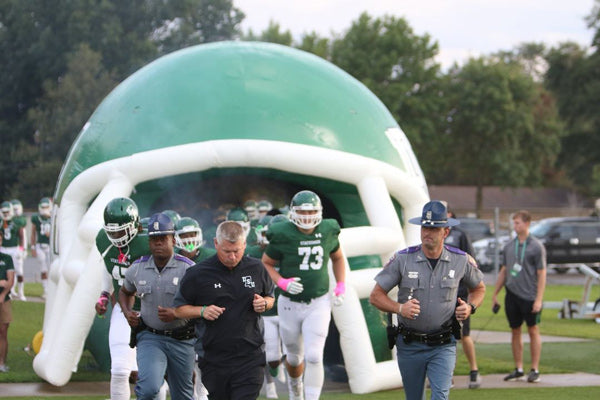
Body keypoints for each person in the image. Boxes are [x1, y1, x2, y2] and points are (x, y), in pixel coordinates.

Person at [369, 200, 485, 400]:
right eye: (424, 227)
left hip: (443, 344)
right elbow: (375, 296)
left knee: (440, 396)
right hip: (409, 344)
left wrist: (470, 306)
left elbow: (479, 288)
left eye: (433, 228)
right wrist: (399, 308)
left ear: (445, 232)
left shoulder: (460, 260)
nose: (427, 232)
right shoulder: (403, 259)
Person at [174, 221, 275, 400]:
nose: (232, 257)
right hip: (213, 358)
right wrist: (202, 311)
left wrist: (264, 303)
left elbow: (270, 297)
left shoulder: (257, 268)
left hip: (250, 355)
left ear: (244, 245)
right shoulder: (197, 274)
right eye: (226, 251)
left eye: (237, 251)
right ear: (215, 243)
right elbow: (179, 310)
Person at [261, 190, 346, 400]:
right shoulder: (282, 233)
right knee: (293, 356)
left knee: (315, 356)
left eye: (312, 212)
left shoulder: (328, 229)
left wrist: (341, 284)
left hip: (318, 302)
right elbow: (266, 263)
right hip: (289, 303)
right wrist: (281, 281)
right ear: (293, 212)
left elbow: (338, 257)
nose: (307, 217)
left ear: (319, 212)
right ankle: (295, 388)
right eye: (302, 212)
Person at [95, 197, 166, 400]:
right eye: (112, 231)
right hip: (124, 311)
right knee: (118, 370)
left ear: (136, 226)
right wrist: (103, 295)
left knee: (153, 375)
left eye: (120, 230)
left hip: (153, 312)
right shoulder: (103, 240)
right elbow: (109, 269)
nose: (116, 236)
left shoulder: (150, 243)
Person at [119, 212, 196, 400]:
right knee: (148, 389)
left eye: (163, 238)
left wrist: (177, 313)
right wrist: (127, 312)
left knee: (183, 395)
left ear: (173, 240)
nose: (158, 243)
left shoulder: (189, 269)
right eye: (154, 239)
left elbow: (202, 305)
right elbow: (124, 291)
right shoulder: (137, 268)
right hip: (150, 337)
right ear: (149, 242)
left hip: (182, 338)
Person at [492, 210, 547, 383]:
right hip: (512, 295)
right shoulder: (509, 246)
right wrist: (495, 294)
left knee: (533, 330)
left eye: (518, 223)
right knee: (515, 331)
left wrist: (539, 299)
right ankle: (519, 368)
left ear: (527, 223)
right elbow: (504, 271)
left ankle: (535, 369)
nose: (515, 226)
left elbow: (542, 273)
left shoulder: (536, 246)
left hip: (530, 296)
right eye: (514, 223)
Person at [174, 216, 214, 400]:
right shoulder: (171, 259)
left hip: (205, 315)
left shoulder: (212, 256)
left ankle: (202, 396)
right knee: (184, 366)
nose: (189, 239)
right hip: (180, 315)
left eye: (192, 234)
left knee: (203, 362)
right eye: (185, 235)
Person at [247, 214, 286, 399]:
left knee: (293, 351)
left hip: (288, 308)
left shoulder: (289, 250)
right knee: (270, 355)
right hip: (267, 311)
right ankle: (271, 383)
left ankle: (286, 369)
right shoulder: (252, 252)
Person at [443, 203, 481, 389]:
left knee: (464, 335)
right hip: (441, 295)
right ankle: (445, 374)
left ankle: (474, 370)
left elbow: (471, 263)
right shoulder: (436, 237)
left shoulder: (460, 235)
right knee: (444, 337)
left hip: (460, 295)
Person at [0, 201, 26, 301]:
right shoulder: (1, 222)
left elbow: (21, 236)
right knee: (5, 273)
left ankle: (21, 292)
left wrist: (21, 248)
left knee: (19, 271)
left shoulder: (17, 221)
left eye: (7, 212)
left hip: (14, 248)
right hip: (3, 248)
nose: (6, 214)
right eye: (4, 212)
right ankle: (9, 293)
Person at [30, 197, 53, 299]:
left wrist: (51, 234)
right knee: (43, 269)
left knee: (51, 268)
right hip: (40, 246)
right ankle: (46, 290)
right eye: (42, 207)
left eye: (46, 207)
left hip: (50, 246)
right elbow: (33, 233)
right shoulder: (36, 218)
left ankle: (52, 290)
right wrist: (32, 247)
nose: (44, 209)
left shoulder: (54, 216)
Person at [0, 234, 15, 372]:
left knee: (3, 331)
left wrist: (3, 294)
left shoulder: (7, 258)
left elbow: (10, 280)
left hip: (3, 299)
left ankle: (2, 363)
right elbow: (3, 281)